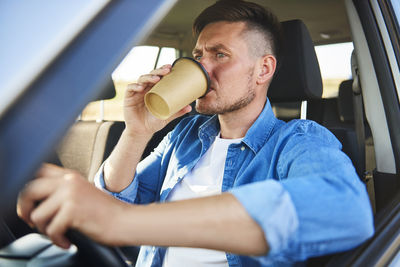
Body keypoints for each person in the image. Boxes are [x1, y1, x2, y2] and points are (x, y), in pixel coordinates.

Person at [17, 0, 374, 266]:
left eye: (220, 54)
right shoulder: (186, 134)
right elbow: (116, 202)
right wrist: (137, 132)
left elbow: (345, 209)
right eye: (198, 54)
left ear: (264, 69)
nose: (202, 66)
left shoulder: (297, 140)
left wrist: (121, 222)